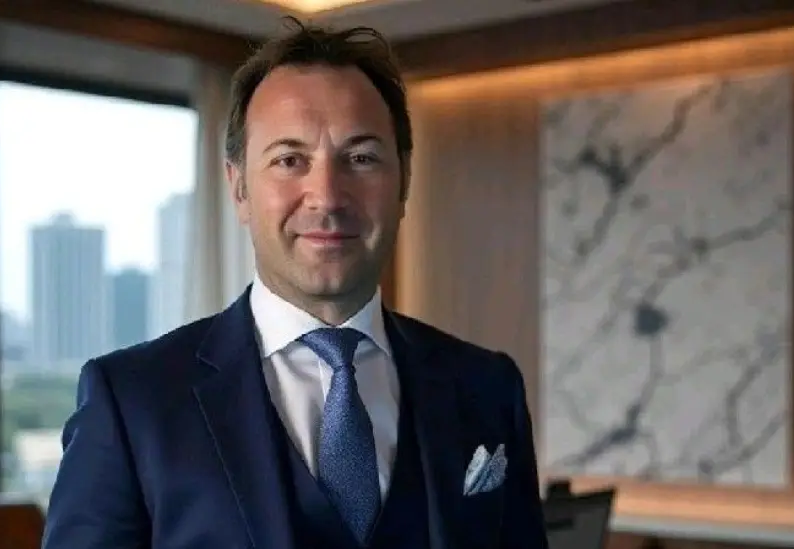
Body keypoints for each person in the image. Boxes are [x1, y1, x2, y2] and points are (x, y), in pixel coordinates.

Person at [42, 17, 547, 549]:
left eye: (361, 158)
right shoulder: (132, 403)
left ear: (403, 181)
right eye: (289, 160)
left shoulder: (487, 388)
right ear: (239, 188)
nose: (326, 196)